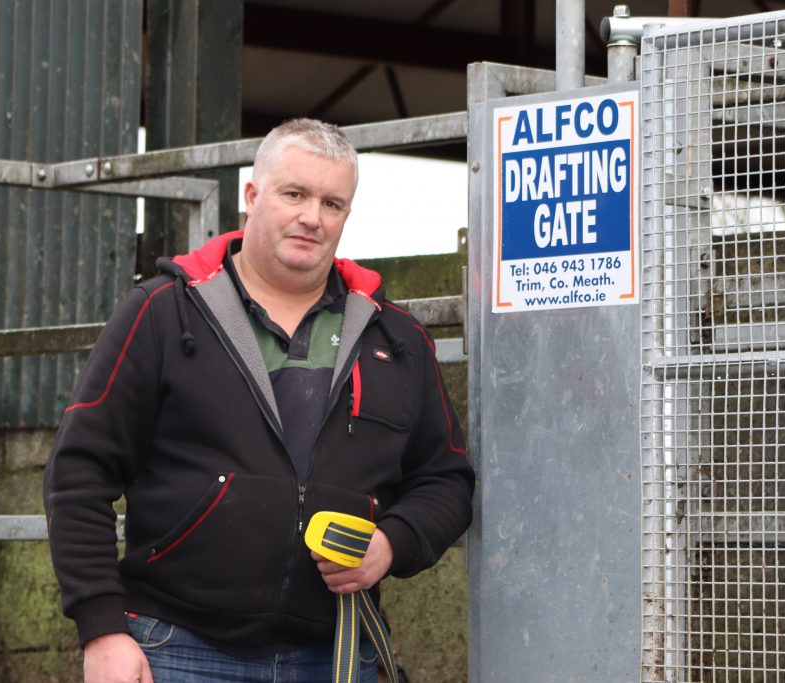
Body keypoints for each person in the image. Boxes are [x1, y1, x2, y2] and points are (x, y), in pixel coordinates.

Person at [43, 118, 475, 683]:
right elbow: (79, 472)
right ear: (253, 194)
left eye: (332, 203)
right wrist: (102, 630)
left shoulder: (396, 339)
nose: (311, 218)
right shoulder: (163, 315)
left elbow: (446, 478)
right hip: (177, 649)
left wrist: (393, 543)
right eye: (294, 194)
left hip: (339, 652)